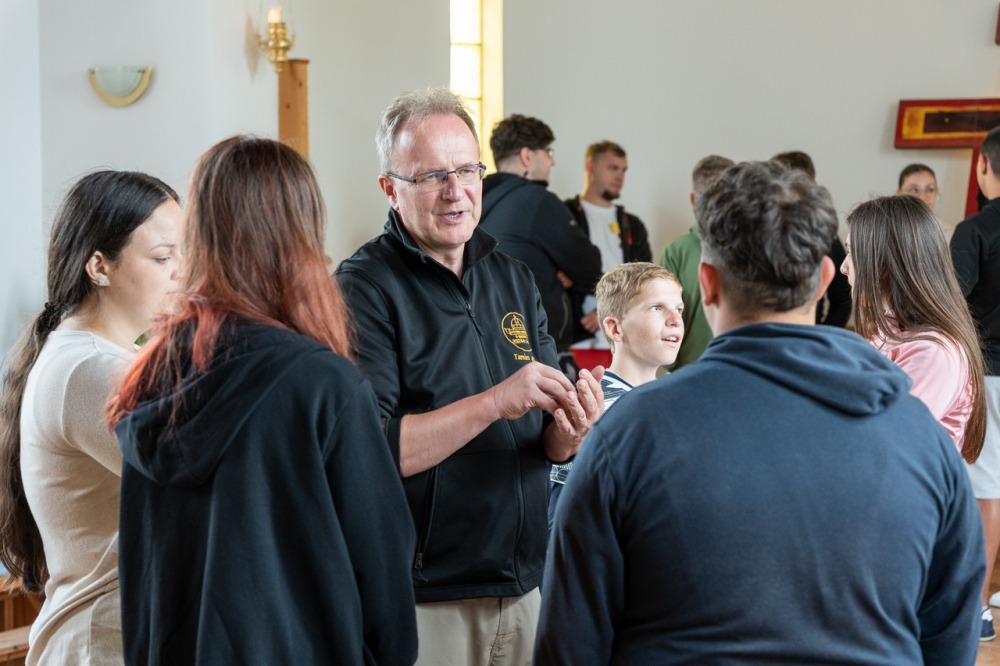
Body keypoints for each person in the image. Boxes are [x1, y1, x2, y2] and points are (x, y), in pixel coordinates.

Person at [536, 161, 984, 664]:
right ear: (824, 280)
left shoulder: (627, 433)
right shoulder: (917, 434)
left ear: (706, 284)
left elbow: (571, 639)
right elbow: (951, 631)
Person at [108, 136, 419, 664]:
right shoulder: (322, 385)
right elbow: (382, 579)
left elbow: (145, 579)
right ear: (299, 238)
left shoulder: (151, 376)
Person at [336, 88, 603, 666]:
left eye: (465, 170)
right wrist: (495, 402)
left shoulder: (513, 277)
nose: (455, 191)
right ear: (390, 189)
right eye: (432, 175)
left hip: (524, 581)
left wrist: (572, 429)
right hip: (427, 596)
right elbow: (369, 451)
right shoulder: (364, 288)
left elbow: (550, 441)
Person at [0, 170, 183, 664]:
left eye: (184, 254)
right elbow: (200, 482)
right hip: (100, 643)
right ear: (99, 266)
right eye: (163, 257)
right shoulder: (91, 369)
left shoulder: (97, 356)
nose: (181, 273)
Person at [841, 195, 985, 460]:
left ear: (885, 262)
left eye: (852, 253)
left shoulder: (934, 352)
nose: (844, 267)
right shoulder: (888, 330)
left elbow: (879, 442)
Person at [548, 262, 683, 529]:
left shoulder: (678, 401)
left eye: (679, 309)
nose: (675, 320)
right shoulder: (592, 410)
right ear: (615, 328)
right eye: (656, 308)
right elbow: (562, 515)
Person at [478, 114, 601, 352]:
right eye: (548, 152)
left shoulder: (479, 200)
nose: (552, 161)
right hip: (536, 341)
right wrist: (564, 271)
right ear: (527, 156)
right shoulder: (538, 201)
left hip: (490, 338)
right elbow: (589, 267)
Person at [952, 125, 1000, 640]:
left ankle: (978, 608)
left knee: (986, 487)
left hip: (991, 371)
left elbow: (952, 304)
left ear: (983, 165)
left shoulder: (976, 230)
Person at [564, 141, 653, 342]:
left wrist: (608, 309)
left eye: (623, 170)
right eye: (613, 168)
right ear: (590, 167)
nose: (620, 176)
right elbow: (556, 274)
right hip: (576, 338)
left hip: (624, 340)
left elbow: (643, 280)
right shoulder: (565, 214)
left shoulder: (633, 225)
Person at [659, 154, 733, 370]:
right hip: (688, 371)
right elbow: (662, 318)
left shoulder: (754, 248)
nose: (715, 208)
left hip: (738, 372)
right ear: (693, 200)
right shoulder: (677, 251)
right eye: (709, 198)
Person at [771, 150, 852, 328]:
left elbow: (842, 298)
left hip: (808, 329)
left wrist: (823, 333)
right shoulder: (759, 232)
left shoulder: (824, 236)